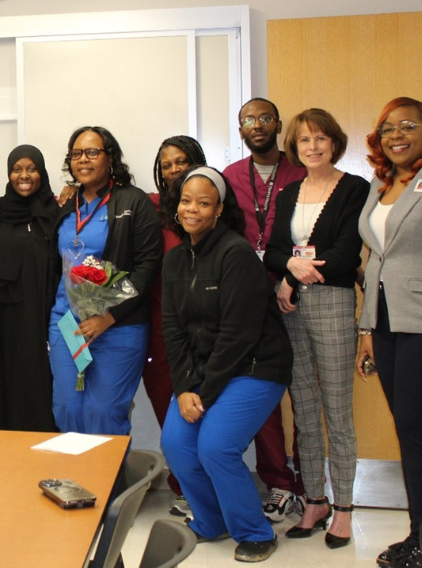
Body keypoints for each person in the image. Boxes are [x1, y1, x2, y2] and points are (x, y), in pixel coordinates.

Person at [161, 167, 292, 563]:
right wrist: (184, 387)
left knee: (215, 445)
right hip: (204, 372)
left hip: (255, 367)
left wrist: (202, 391)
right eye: (187, 201)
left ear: (219, 210)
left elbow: (239, 335)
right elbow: (173, 329)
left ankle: (255, 531)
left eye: (204, 203)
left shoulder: (236, 253)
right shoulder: (175, 260)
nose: (193, 209)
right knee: (176, 444)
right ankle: (210, 519)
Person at [264, 109, 368, 549]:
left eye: (321, 138)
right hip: (291, 308)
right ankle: (315, 501)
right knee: (304, 412)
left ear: (335, 143)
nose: (312, 147)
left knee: (337, 412)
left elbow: (346, 253)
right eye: (304, 140)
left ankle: (343, 507)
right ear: (295, 146)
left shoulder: (354, 188)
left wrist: (296, 271)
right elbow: (271, 251)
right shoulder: (288, 193)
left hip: (332, 302)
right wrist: (289, 270)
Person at [355, 97, 422, 568]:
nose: (396, 135)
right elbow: (375, 260)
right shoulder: (381, 182)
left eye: (408, 126)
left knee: (416, 431)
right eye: (387, 127)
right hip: (385, 322)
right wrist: (367, 327)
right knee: (410, 431)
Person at [223, 97, 307, 521]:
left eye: (264, 118)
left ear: (277, 124)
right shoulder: (230, 176)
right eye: (247, 120)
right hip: (251, 300)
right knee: (264, 392)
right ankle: (277, 481)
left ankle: (309, 485)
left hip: (297, 293)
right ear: (240, 130)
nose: (256, 125)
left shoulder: (301, 172)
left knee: (306, 394)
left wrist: (291, 276)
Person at [48, 126, 161, 435]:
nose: (83, 160)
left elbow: (147, 268)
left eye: (92, 152)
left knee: (103, 413)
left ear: (110, 158)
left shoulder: (134, 202)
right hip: (67, 324)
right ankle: (73, 481)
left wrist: (108, 317)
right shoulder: (63, 206)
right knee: (68, 408)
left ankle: (107, 484)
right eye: (76, 154)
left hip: (118, 326)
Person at [147, 135, 207, 513]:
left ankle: (209, 490)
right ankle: (184, 488)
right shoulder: (150, 208)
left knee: (202, 413)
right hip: (159, 329)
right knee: (169, 414)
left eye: (181, 161)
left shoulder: (213, 207)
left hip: (206, 331)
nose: (174, 170)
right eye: (166, 164)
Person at [0, 144, 58, 432]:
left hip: (47, 312)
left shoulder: (57, 212)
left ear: (42, 172)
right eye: (17, 169)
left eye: (31, 169)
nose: (23, 176)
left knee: (44, 382)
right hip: (7, 319)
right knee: (10, 383)